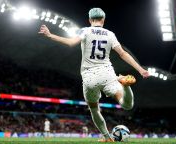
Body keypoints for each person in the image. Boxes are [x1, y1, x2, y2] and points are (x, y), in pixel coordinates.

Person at [38, 8, 149, 142]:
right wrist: (140, 69)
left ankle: (107, 137)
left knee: (94, 110)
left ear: (90, 20)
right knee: (126, 105)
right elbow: (123, 54)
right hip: (108, 74)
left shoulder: (85, 30)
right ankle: (125, 86)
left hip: (90, 77)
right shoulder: (110, 34)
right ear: (103, 19)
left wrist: (50, 35)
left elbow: (70, 43)